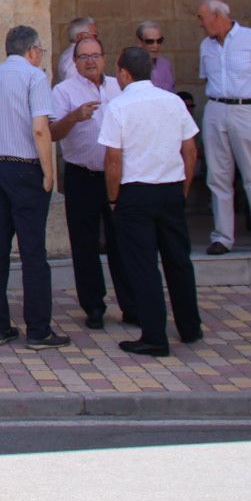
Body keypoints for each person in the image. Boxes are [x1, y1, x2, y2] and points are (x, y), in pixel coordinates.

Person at [99, 47, 202, 357]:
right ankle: (190, 326)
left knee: (143, 266)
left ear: (125, 74)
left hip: (135, 192)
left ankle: (155, 336)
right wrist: (183, 189)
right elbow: (190, 150)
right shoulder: (173, 102)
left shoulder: (118, 107)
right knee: (178, 261)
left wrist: (114, 198)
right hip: (170, 189)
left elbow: (113, 159)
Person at [0, 25, 67, 349]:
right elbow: (41, 129)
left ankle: (0, 326)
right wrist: (48, 172)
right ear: (32, 50)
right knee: (33, 252)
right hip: (25, 169)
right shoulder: (35, 77)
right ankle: (38, 329)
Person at [50, 35, 133, 330]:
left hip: (117, 176)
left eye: (95, 55)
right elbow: (53, 132)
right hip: (81, 176)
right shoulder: (63, 91)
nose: (90, 61)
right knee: (84, 245)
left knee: (121, 242)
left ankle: (131, 305)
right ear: (75, 62)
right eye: (84, 56)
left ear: (104, 58)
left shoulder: (117, 87)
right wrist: (74, 116)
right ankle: (94, 306)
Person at [196, 0, 251, 255]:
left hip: (247, 108)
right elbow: (205, 77)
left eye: (202, 18)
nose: (200, 24)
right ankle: (223, 236)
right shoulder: (206, 46)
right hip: (216, 107)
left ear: (218, 16)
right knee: (218, 175)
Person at [134, 22, 176, 93]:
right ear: (140, 42)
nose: (155, 45)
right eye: (150, 41)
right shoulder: (132, 65)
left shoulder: (166, 64)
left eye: (159, 41)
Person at [56, 17, 97, 83]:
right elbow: (72, 88)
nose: (96, 40)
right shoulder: (72, 60)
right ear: (80, 36)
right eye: (94, 35)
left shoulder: (70, 54)